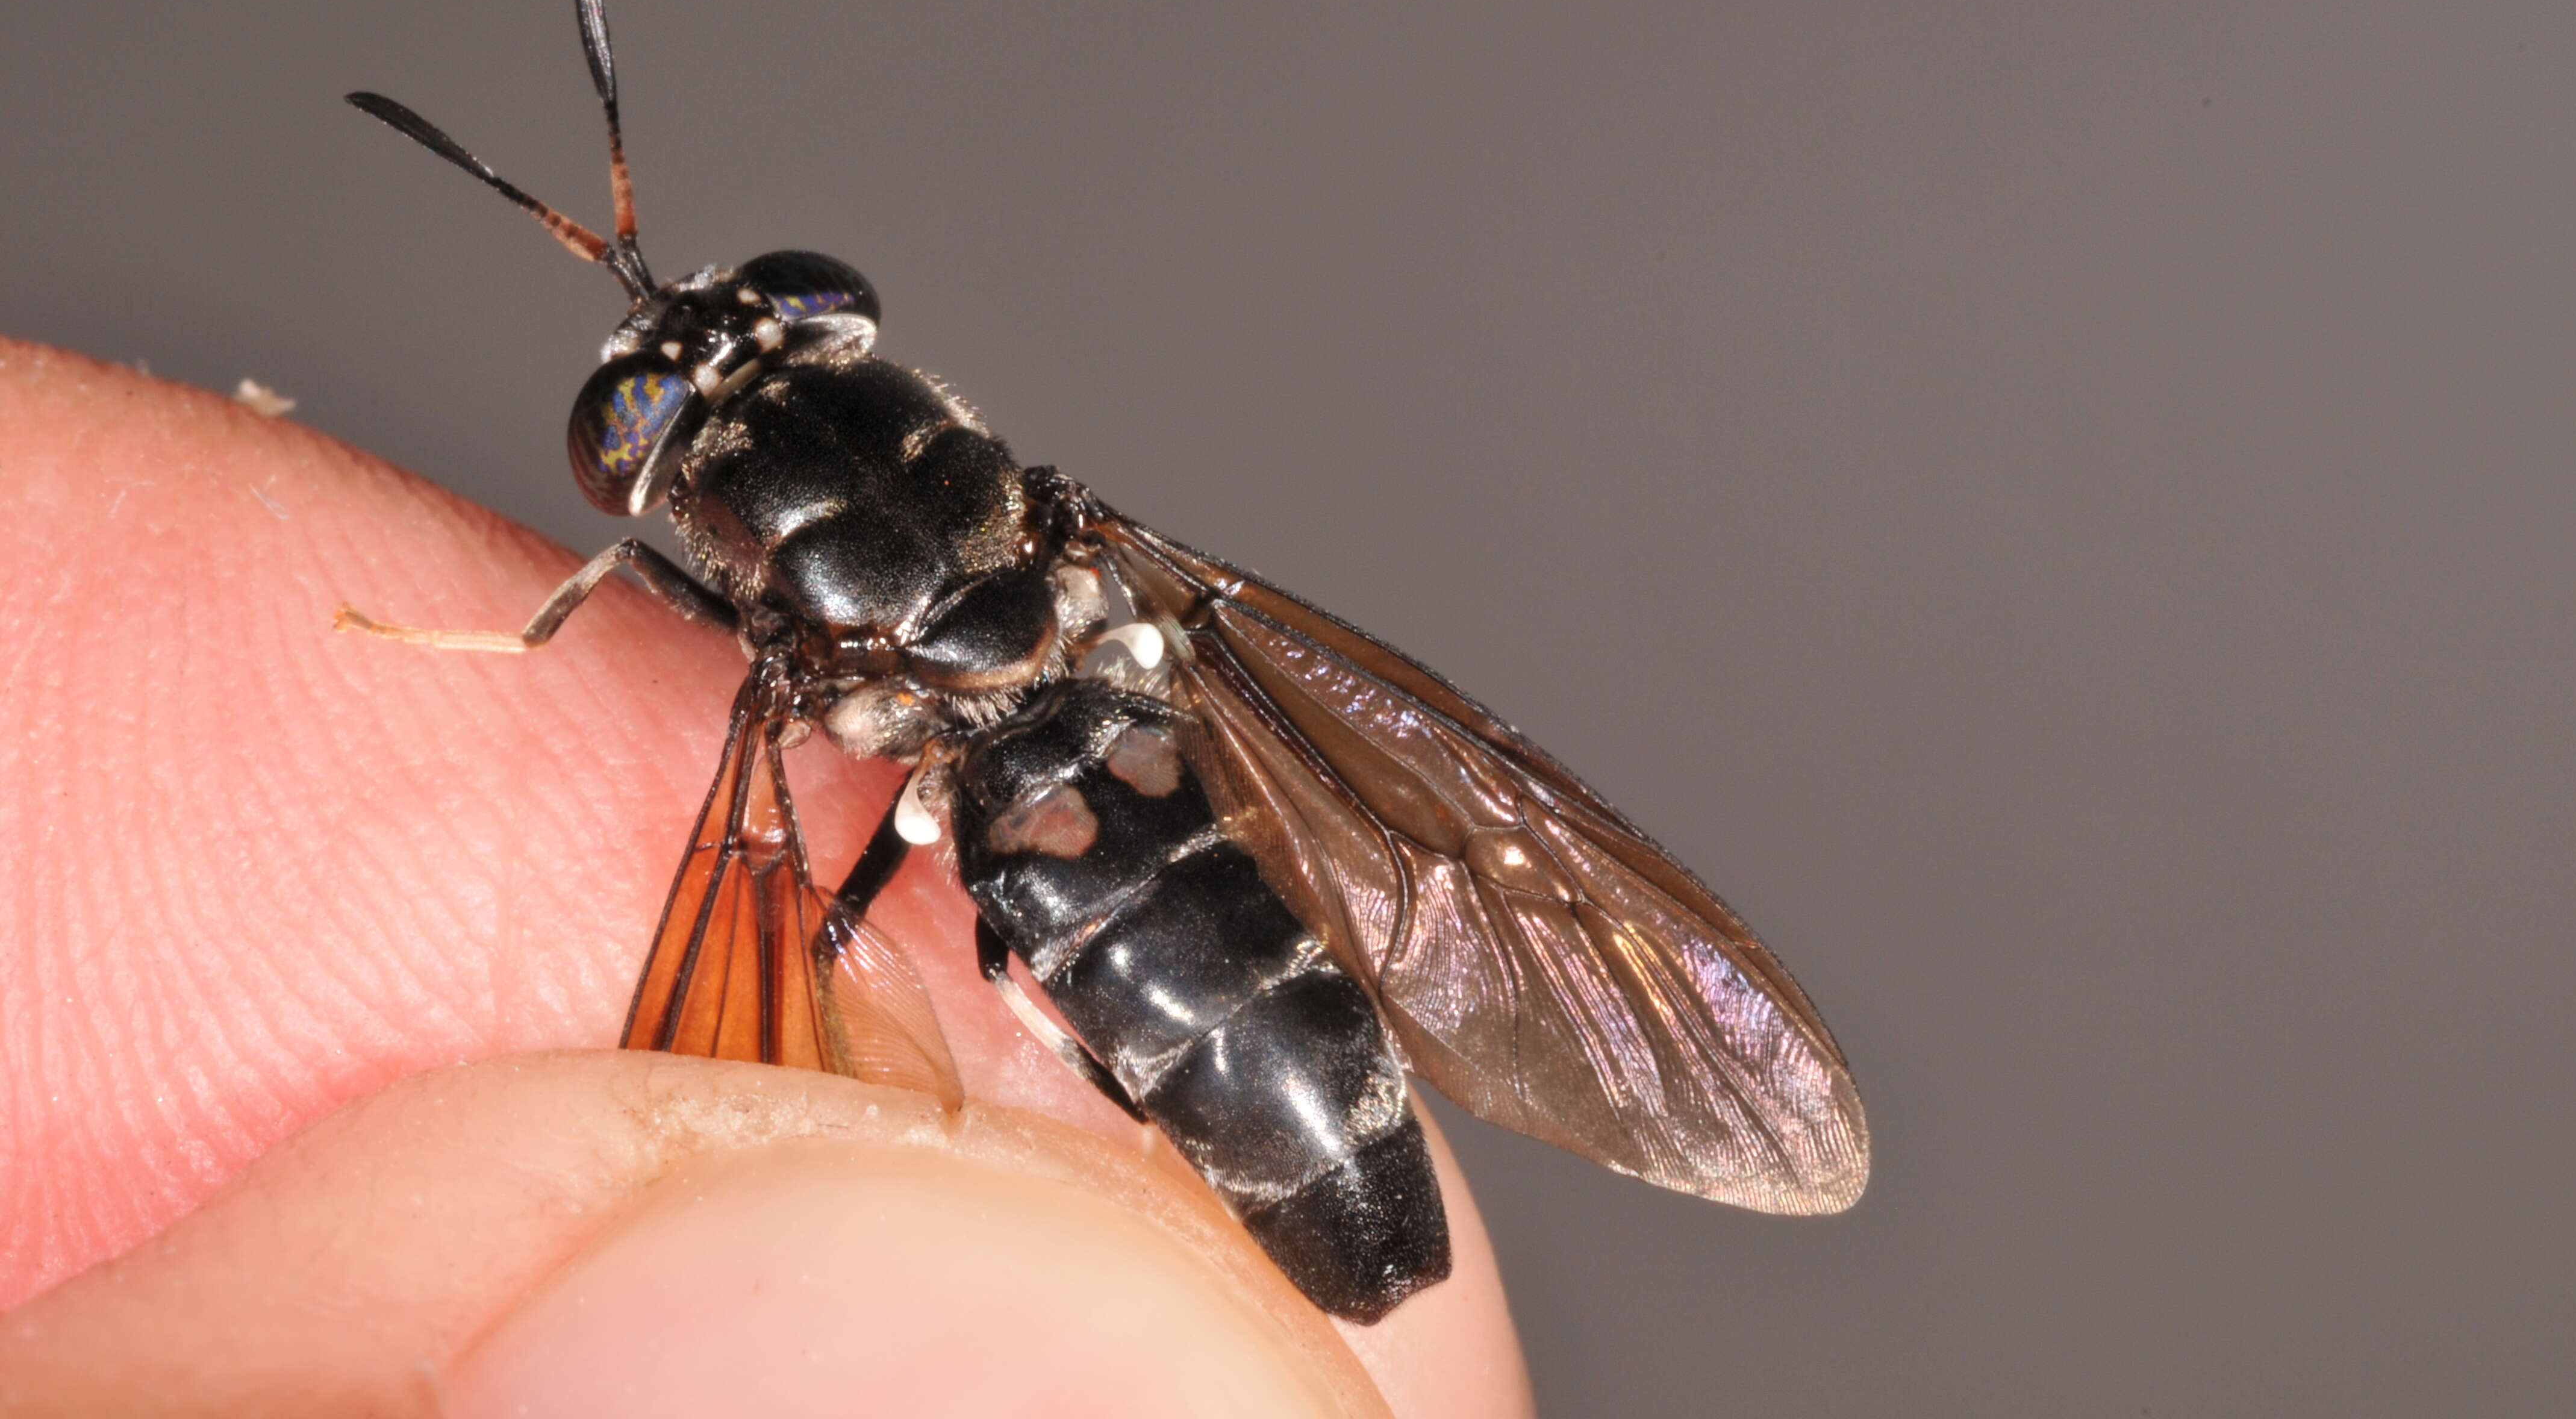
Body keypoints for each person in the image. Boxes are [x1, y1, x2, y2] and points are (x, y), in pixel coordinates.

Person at [0, 343, 1532, 1418]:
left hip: (1084, 849)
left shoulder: (782, 652)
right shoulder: (1042, 523)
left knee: (960, 952)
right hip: (1128, 771)